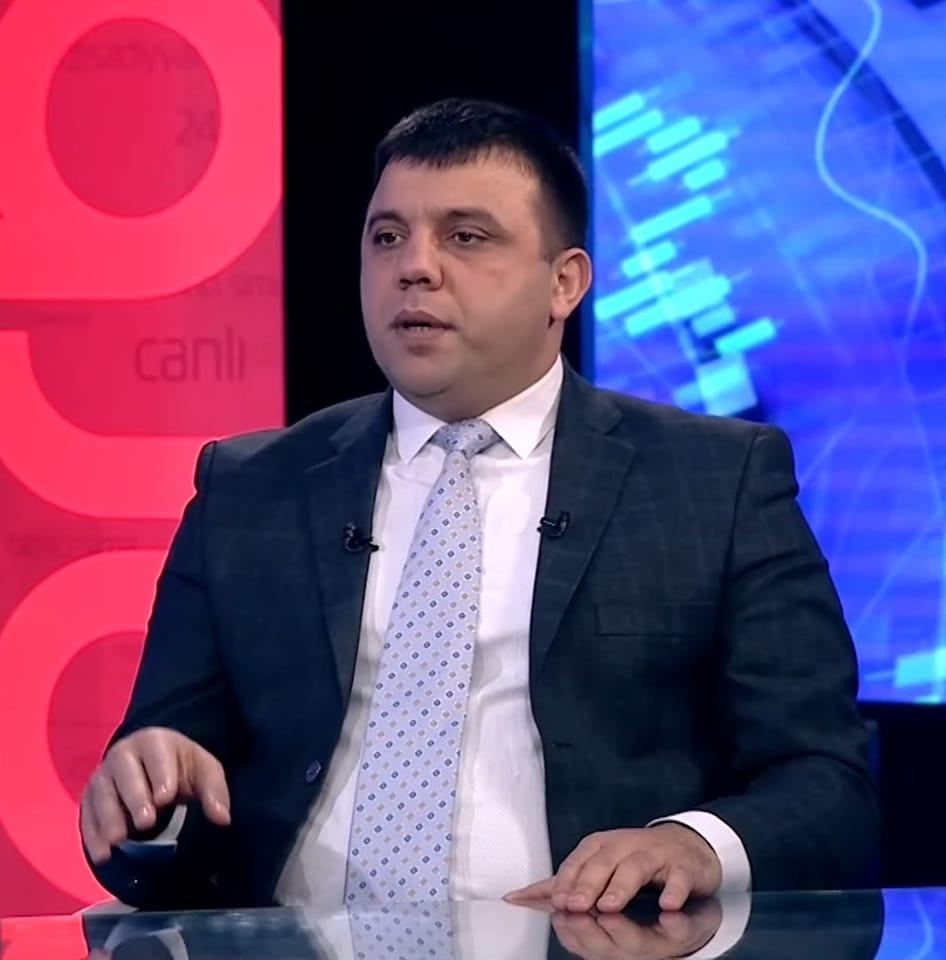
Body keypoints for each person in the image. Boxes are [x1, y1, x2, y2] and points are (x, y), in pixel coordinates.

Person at [80, 98, 878, 915]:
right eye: (387, 237)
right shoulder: (250, 487)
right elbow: (159, 784)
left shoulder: (716, 480)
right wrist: (143, 793)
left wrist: (692, 844)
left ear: (564, 283)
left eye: (465, 237)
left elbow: (826, 782)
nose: (414, 268)